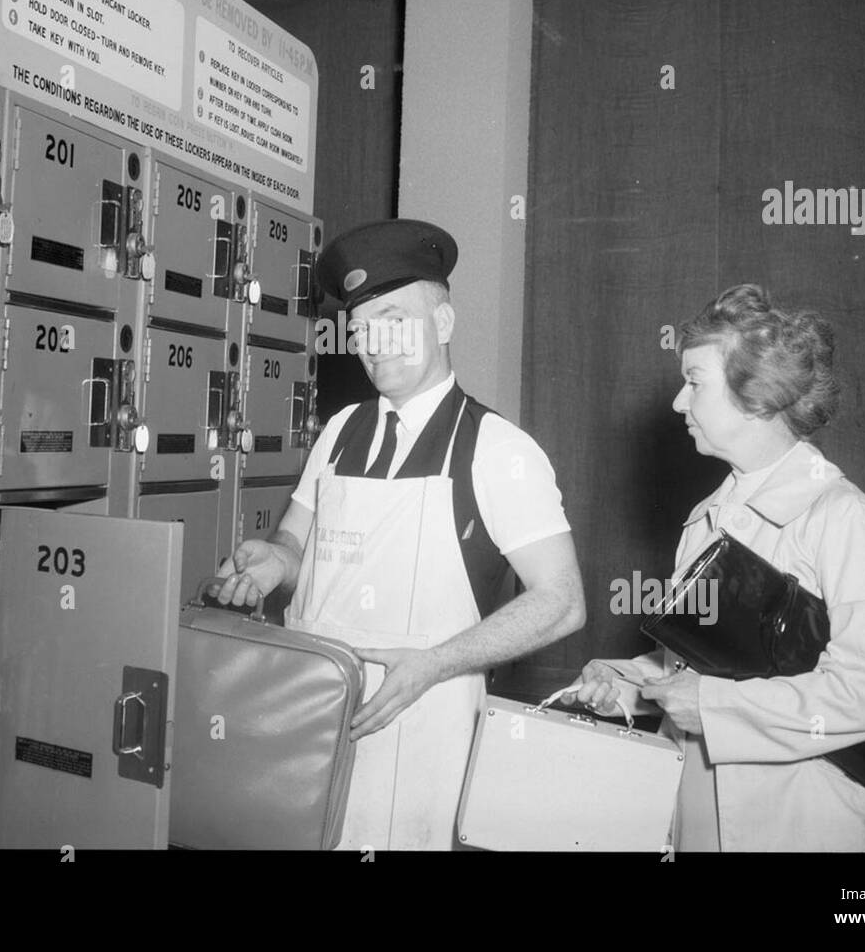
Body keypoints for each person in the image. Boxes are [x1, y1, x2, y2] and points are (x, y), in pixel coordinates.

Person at [214, 218, 586, 850]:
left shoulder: (498, 450)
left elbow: (562, 603)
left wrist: (437, 663)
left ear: (442, 324)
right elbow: (296, 545)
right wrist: (274, 564)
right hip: (310, 719)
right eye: (359, 328)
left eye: (392, 319)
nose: (370, 343)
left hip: (423, 732)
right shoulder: (339, 432)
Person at [570, 284, 865, 851]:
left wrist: (712, 707)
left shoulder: (846, 519)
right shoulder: (707, 517)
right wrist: (628, 684)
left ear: (757, 397)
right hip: (703, 808)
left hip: (806, 818)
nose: (677, 404)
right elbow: (705, 666)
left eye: (693, 383)